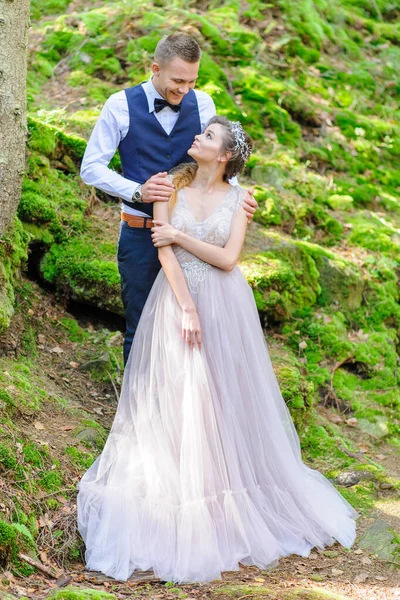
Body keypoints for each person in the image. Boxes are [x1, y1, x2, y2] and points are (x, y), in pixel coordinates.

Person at [77, 116, 358, 584]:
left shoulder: (239, 200)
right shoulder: (170, 188)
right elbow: (163, 253)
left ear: (224, 155)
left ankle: (233, 500)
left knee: (225, 393)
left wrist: (182, 237)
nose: (198, 137)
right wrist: (186, 307)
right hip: (177, 300)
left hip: (227, 304)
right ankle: (182, 501)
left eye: (208, 136)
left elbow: (227, 258)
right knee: (181, 394)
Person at [80, 33, 257, 365]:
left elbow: (218, 160)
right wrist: (137, 190)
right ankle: (135, 413)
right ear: (155, 69)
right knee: (141, 326)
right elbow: (90, 168)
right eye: (178, 80)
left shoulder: (203, 104)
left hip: (192, 237)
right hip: (140, 233)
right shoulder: (120, 105)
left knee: (195, 330)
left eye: (192, 81)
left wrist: (237, 199)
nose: (184, 89)